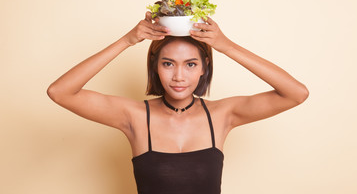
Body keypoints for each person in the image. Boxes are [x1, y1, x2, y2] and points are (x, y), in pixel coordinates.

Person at [47, 12, 309, 194]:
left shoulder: (221, 115)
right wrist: (127, 41)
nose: (179, 76)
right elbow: (60, 91)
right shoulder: (135, 116)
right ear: (155, 67)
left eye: (191, 64)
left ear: (204, 68)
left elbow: (296, 93)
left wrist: (225, 46)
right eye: (168, 63)